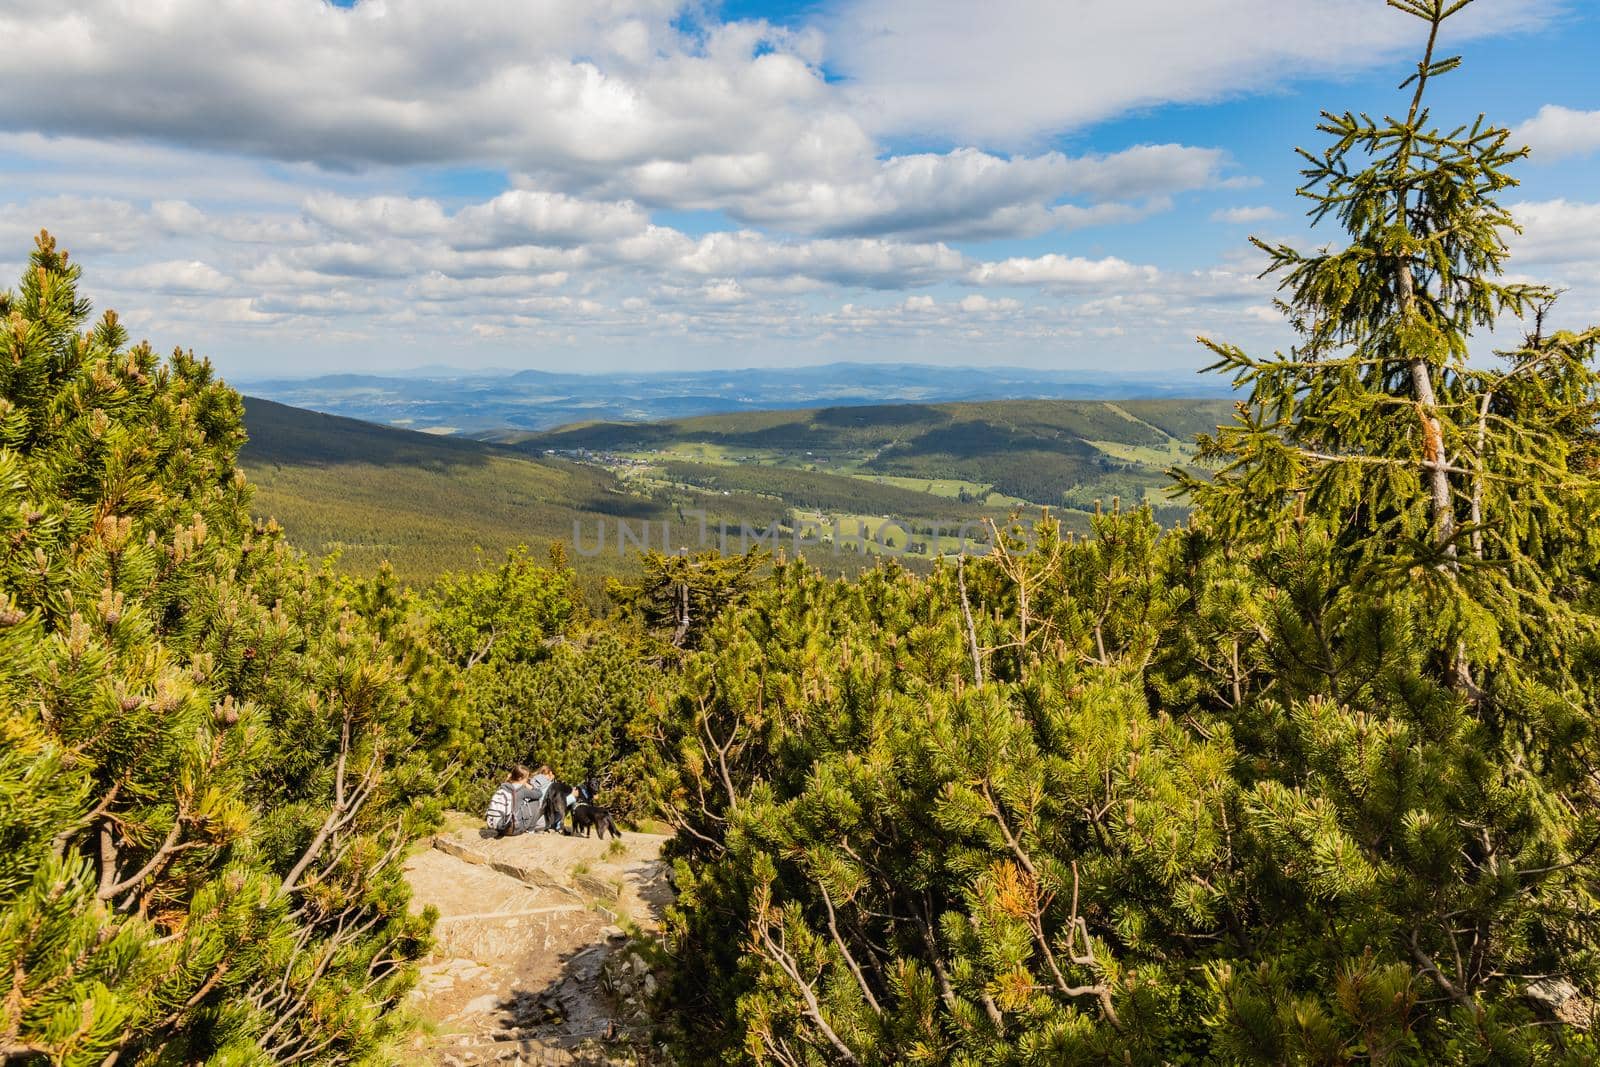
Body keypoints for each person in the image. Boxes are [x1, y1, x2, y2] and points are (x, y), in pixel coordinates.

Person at [485, 765, 539, 837]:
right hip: (512, 830)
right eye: (526, 778)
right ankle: (530, 830)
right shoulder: (522, 790)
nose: (527, 780)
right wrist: (527, 785)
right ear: (520, 778)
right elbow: (538, 794)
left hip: (500, 828)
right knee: (535, 801)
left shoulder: (503, 787)